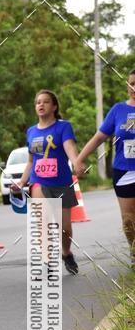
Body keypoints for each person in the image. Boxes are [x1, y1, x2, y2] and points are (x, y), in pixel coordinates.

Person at [11, 90, 84, 275]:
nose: (41, 105)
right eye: (37, 102)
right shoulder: (31, 132)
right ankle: (48, 259)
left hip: (61, 182)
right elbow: (30, 161)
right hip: (38, 181)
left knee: (64, 228)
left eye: (45, 102)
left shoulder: (63, 127)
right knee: (43, 222)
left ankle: (66, 253)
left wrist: (77, 163)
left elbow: (70, 149)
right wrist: (22, 182)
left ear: (54, 106)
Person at [75, 69, 135, 265]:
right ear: (127, 85)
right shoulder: (118, 110)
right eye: (131, 83)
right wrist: (79, 159)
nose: (134, 88)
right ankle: (134, 252)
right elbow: (100, 137)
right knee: (128, 219)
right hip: (124, 170)